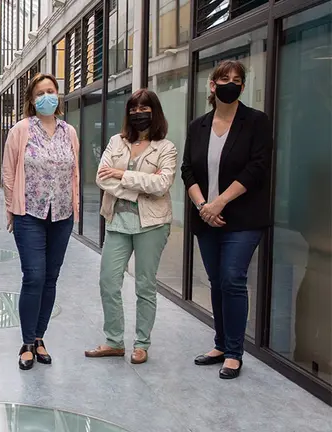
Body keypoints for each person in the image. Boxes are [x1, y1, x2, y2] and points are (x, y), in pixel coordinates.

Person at [181, 60, 272, 379]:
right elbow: (187, 170)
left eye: (237, 80)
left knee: (233, 278)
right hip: (206, 217)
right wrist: (204, 205)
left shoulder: (256, 122)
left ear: (243, 87)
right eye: (224, 79)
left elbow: (257, 168)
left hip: (243, 218)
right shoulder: (198, 126)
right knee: (217, 281)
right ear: (212, 85)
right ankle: (220, 344)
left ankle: (234, 352)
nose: (230, 84)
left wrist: (219, 202)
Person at [84, 89, 177, 364]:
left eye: (144, 108)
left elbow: (162, 184)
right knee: (108, 281)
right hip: (117, 221)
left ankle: (141, 343)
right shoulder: (116, 141)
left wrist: (123, 175)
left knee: (145, 286)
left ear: (155, 112)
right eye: (134, 108)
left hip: (152, 224)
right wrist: (140, 186)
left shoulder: (166, 147)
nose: (138, 113)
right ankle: (114, 341)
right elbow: (102, 178)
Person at [2, 73, 80, 370]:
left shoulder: (68, 132)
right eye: (40, 93)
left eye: (51, 91)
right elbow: (8, 172)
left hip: (61, 215)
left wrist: (74, 207)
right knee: (33, 276)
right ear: (32, 100)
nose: (46, 96)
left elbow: (74, 172)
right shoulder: (20, 130)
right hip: (29, 214)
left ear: (58, 96)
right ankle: (25, 341)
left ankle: (39, 338)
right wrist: (11, 207)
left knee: (51, 277)